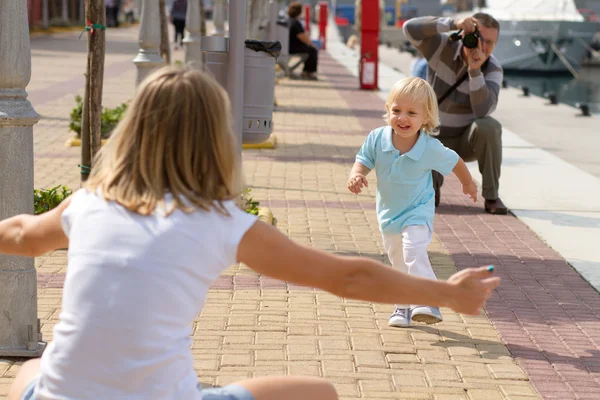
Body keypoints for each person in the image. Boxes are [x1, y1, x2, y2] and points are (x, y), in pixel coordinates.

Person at [4, 67, 499, 400]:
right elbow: (348, 278)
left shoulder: (88, 202)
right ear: (216, 140)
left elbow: (23, 234)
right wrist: (447, 295)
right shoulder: (221, 223)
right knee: (320, 394)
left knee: (29, 371)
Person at [347, 77, 479, 328]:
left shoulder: (429, 147)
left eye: (411, 113)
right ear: (388, 110)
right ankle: (402, 307)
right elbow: (363, 159)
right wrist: (356, 175)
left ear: (426, 118)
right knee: (398, 261)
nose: (403, 118)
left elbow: (455, 162)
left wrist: (467, 183)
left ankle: (428, 300)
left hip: (418, 213)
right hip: (389, 215)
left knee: (413, 250)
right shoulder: (377, 138)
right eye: (396, 110)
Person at [403, 14, 508, 215]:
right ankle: (430, 189)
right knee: (426, 200)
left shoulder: (493, 69)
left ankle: (491, 196)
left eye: (490, 43)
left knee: (489, 126)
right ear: (466, 34)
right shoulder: (442, 47)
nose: (483, 47)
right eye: (480, 38)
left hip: (464, 141)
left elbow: (482, 111)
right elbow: (409, 28)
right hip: (432, 138)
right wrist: (452, 23)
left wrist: (475, 71)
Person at [287, 2, 319, 80]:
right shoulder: (296, 23)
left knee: (309, 49)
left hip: (286, 46)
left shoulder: (288, 21)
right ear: (299, 12)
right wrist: (312, 44)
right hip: (293, 48)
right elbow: (302, 37)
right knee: (313, 50)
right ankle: (308, 72)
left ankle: (306, 71)